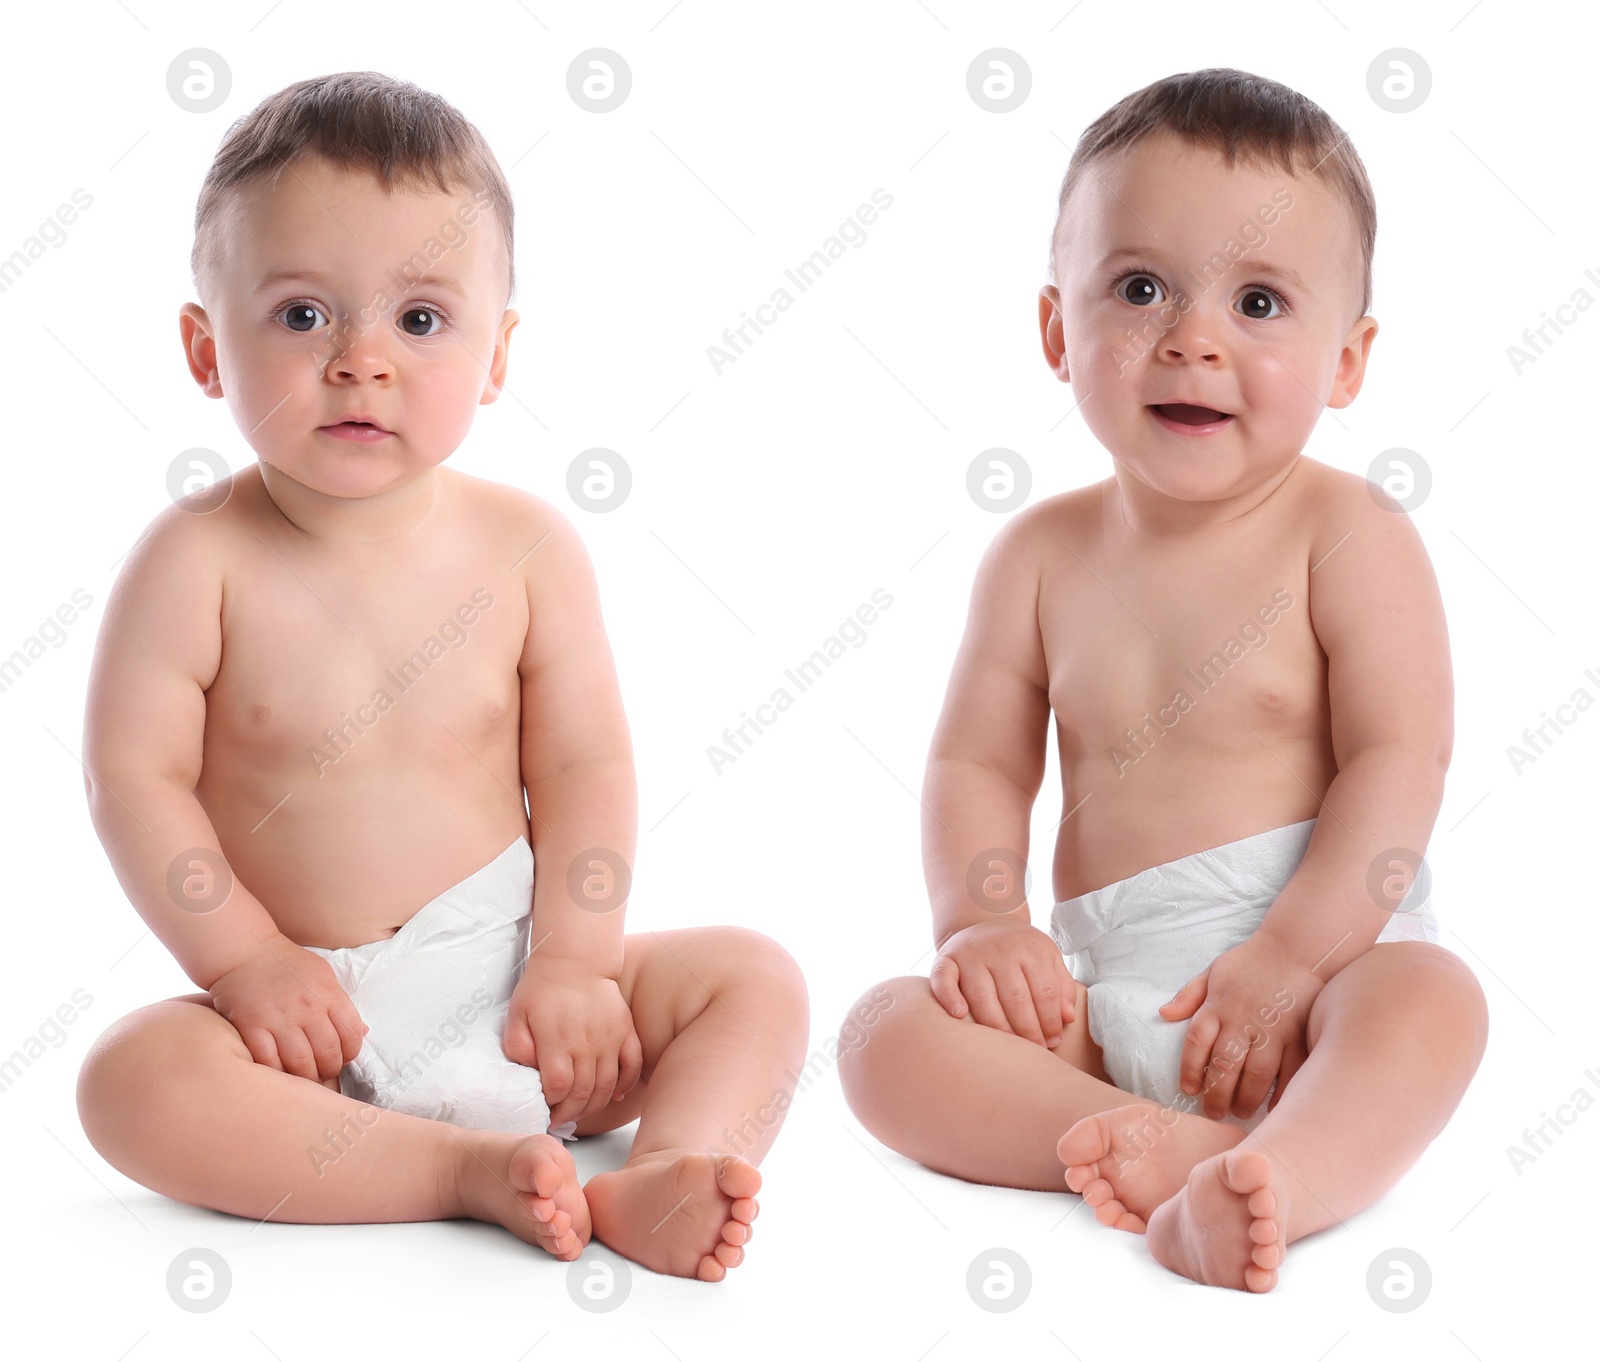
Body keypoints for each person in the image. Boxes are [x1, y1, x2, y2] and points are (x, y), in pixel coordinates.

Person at [76, 71, 808, 1283]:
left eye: (419, 321)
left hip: (522, 986)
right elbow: (133, 779)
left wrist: (576, 961)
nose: (363, 362)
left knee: (752, 976)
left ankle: (660, 1172)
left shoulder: (524, 549)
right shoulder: (194, 558)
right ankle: (448, 1173)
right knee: (130, 1084)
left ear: (496, 355)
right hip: (315, 1027)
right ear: (207, 349)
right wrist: (246, 962)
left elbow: (583, 768)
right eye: (304, 317)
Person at [838, 67, 1488, 1292]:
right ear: (1055, 333)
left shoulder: (1347, 533)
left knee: (1435, 1003)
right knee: (881, 1036)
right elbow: (975, 762)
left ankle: (1289, 1172)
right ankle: (1163, 1145)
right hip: (1115, 994)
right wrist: (980, 921)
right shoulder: (1036, 554)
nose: (1192, 338)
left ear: (1346, 361)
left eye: (1257, 301)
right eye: (1139, 289)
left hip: (1323, 975)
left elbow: (1402, 762)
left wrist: (1294, 957)